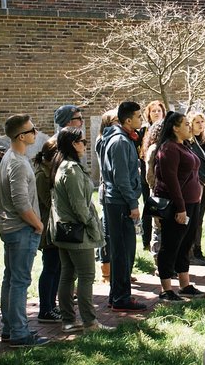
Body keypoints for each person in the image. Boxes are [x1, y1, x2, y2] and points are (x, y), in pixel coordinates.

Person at [0, 114, 50, 346]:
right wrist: (38, 225)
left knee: (11, 279)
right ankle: (18, 332)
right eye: (32, 130)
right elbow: (21, 204)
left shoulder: (13, 156)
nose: (35, 133)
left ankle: (9, 329)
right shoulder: (16, 163)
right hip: (21, 230)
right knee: (19, 281)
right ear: (21, 136)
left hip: (13, 229)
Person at [50, 127, 110, 332]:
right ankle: (90, 322)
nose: (85, 145)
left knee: (68, 275)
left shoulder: (65, 166)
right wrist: (93, 226)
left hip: (66, 230)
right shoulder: (71, 170)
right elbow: (79, 206)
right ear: (74, 144)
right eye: (83, 141)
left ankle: (68, 320)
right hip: (77, 232)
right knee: (85, 276)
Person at [153, 112, 205, 301]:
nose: (189, 127)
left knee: (185, 245)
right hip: (178, 206)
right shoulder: (168, 149)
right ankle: (166, 289)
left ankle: (185, 285)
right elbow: (171, 181)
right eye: (185, 124)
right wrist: (181, 208)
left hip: (192, 203)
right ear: (175, 128)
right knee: (170, 245)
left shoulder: (184, 146)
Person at [100, 101, 147, 312]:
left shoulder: (122, 138)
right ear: (128, 120)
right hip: (119, 202)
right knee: (122, 252)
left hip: (118, 201)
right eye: (138, 116)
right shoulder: (119, 141)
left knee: (123, 251)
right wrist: (133, 203)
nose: (141, 120)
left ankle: (116, 295)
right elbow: (121, 178)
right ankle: (121, 298)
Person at [33, 137, 62, 324]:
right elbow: (47, 202)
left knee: (57, 267)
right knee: (50, 267)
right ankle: (45, 308)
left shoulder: (49, 171)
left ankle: (52, 305)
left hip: (53, 226)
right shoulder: (42, 175)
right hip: (48, 228)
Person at [187, 111, 205, 266]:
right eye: (196, 121)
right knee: (193, 220)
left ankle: (198, 250)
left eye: (202, 121)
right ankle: (190, 253)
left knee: (200, 220)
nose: (200, 124)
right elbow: (193, 166)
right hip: (195, 185)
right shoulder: (189, 143)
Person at [139, 100, 166, 251]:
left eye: (159, 110)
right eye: (153, 110)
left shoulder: (167, 132)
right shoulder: (143, 131)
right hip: (147, 174)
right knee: (149, 208)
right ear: (148, 114)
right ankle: (146, 241)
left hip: (161, 177)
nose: (156, 113)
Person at [94, 109, 118, 282]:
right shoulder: (103, 140)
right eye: (117, 120)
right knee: (107, 232)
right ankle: (106, 271)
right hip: (107, 191)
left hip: (115, 192)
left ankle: (119, 269)